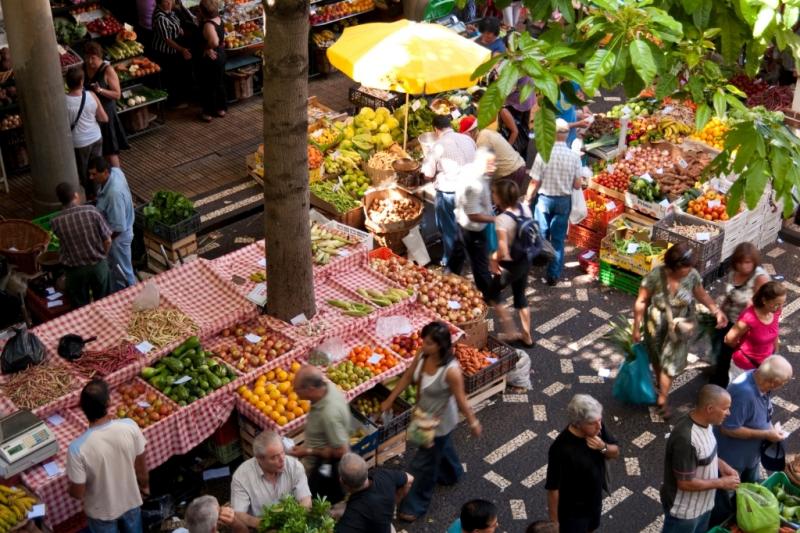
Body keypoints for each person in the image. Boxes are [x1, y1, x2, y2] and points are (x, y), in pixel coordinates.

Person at [380, 321, 481, 522]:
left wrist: (473, 422)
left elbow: (461, 399)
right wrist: (390, 399)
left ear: (440, 345)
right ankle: (453, 473)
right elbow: (408, 376)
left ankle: (416, 504)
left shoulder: (451, 371)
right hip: (423, 414)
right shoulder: (422, 354)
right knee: (440, 451)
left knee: (423, 465)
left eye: (428, 343)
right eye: (424, 341)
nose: (423, 345)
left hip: (439, 423)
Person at [632, 243, 728, 418]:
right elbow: (641, 301)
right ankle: (661, 385)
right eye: (685, 267)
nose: (689, 270)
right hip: (656, 325)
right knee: (657, 359)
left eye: (690, 267)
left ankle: (662, 397)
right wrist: (636, 328)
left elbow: (701, 294)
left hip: (679, 327)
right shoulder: (654, 277)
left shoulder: (692, 276)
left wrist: (716, 311)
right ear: (673, 266)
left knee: (671, 365)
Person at [711, 356, 793, 525]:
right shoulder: (743, 393)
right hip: (731, 461)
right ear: (773, 381)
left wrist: (770, 429)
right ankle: (721, 525)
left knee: (750, 491)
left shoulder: (760, 382)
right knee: (724, 499)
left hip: (750, 457)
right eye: (784, 382)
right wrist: (766, 435)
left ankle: (744, 517)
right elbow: (728, 428)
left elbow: (762, 413)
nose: (784, 385)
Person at [66, 379, 148, 533]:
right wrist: (144, 486)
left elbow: (77, 493)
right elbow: (141, 468)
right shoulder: (129, 426)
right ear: (109, 403)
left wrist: (69, 489)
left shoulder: (77, 449)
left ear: (82, 409)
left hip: (101, 512)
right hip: (130, 501)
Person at [661, 385, 740, 533]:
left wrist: (722, 465)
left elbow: (705, 454)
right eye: (725, 408)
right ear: (709, 409)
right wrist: (721, 482)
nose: (728, 413)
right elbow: (685, 483)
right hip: (685, 513)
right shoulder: (686, 439)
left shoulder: (707, 423)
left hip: (704, 506)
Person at [545, 394, 619, 533]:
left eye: (600, 420)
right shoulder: (560, 449)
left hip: (594, 502)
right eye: (592, 423)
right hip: (573, 512)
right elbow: (553, 489)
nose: (599, 426)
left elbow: (615, 452)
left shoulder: (598, 428)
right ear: (577, 423)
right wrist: (555, 525)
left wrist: (603, 447)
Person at [524, 118, 583, 286]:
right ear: (566, 135)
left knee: (541, 234)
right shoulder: (574, 157)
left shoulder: (543, 154)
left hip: (544, 200)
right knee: (558, 239)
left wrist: (528, 199)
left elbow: (535, 181)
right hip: (563, 201)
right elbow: (577, 185)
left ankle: (538, 263)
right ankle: (553, 274)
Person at [709, 242, 770, 387]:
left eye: (747, 262)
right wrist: (720, 313)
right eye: (740, 262)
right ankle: (719, 383)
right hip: (729, 320)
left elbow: (764, 305)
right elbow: (729, 295)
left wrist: (752, 306)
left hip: (745, 326)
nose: (744, 266)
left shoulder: (760, 278)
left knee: (737, 360)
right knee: (723, 354)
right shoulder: (733, 273)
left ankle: (733, 389)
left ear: (754, 261)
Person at [421, 114, 477, 272]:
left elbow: (428, 174)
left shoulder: (437, 146)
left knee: (448, 228)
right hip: (470, 189)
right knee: (465, 224)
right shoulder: (468, 139)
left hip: (449, 192)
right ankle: (465, 254)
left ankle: (450, 263)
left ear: (436, 129)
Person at [288, 366, 351, 504]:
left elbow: (341, 451)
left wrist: (307, 451)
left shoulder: (329, 414)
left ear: (310, 389)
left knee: (317, 497)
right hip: (319, 456)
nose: (294, 391)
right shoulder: (328, 387)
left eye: (297, 388)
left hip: (321, 466)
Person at [231, 431, 311, 531]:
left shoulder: (295, 467)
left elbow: (306, 500)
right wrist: (265, 525)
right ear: (259, 459)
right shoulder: (241, 476)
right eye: (274, 457)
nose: (282, 460)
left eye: (282, 453)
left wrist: (292, 524)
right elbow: (238, 514)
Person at [50, 182, 112, 307]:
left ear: (60, 200)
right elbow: (108, 240)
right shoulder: (92, 211)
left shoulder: (56, 222)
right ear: (76, 195)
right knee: (105, 304)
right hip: (97, 266)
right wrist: (102, 256)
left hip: (75, 272)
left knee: (80, 308)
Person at [488, 179, 533, 346]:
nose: (492, 195)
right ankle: (527, 336)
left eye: (494, 193)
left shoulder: (502, 220)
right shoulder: (525, 208)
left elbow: (503, 250)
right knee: (520, 296)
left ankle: (511, 332)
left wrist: (493, 259)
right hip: (526, 259)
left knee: (492, 294)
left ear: (500, 198)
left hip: (510, 265)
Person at [449, 145, 495, 299]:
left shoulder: (470, 169)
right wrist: (496, 219)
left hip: (461, 222)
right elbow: (473, 214)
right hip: (473, 229)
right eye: (490, 164)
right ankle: (490, 297)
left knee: (457, 255)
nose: (493, 167)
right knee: (480, 265)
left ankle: (448, 281)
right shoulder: (476, 184)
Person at [334, 453, 413, 533]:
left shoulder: (353, 515)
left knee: (334, 512)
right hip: (386, 526)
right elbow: (410, 479)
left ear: (342, 481)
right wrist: (394, 502)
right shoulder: (383, 475)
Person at [89, 157, 135, 291]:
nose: (91, 177)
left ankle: (130, 292)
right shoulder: (115, 171)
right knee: (115, 269)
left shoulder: (113, 195)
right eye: (90, 173)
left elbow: (118, 227)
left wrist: (105, 241)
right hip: (117, 230)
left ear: (105, 173)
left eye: (94, 174)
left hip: (118, 239)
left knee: (123, 271)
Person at [725, 281, 786, 381]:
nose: (780, 308)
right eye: (777, 304)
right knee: (737, 395)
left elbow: (774, 332)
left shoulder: (775, 312)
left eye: (782, 304)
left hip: (765, 365)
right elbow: (729, 339)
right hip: (743, 367)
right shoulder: (749, 318)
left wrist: (776, 354)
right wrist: (742, 350)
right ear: (764, 300)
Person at [84, 42, 129, 168]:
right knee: (98, 150)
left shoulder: (107, 70)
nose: (89, 61)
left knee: (110, 151)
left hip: (106, 114)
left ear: (99, 57)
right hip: (91, 114)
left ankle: (118, 177)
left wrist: (100, 90)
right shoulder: (83, 68)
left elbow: (117, 94)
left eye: (93, 58)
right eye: (87, 57)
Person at [65, 66, 108, 200]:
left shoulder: (63, 101)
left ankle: (87, 197)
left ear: (67, 83)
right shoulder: (91, 95)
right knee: (96, 168)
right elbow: (104, 118)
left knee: (83, 171)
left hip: (79, 143)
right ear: (82, 81)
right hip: (95, 137)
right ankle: (98, 194)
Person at [460, 115, 528, 189]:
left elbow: (487, 169)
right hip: (515, 168)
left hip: (511, 172)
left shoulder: (482, 140)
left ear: (470, 133)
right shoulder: (485, 133)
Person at [152, 0, 192, 108]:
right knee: (171, 77)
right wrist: (182, 49)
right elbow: (167, 39)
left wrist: (178, 29)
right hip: (165, 52)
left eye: (170, 0)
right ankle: (173, 103)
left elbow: (173, 21)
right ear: (159, 3)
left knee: (176, 75)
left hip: (173, 50)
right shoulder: (160, 17)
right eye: (166, 1)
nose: (169, 3)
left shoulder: (169, 10)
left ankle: (178, 98)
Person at [197, 0, 227, 122]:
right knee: (219, 81)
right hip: (221, 55)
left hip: (212, 57)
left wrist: (207, 48)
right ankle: (221, 109)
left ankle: (208, 112)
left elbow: (213, 41)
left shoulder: (208, 25)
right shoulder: (219, 20)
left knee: (208, 84)